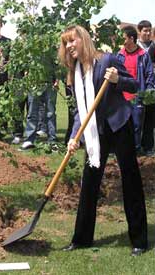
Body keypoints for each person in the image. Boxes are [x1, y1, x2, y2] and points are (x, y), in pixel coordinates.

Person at [59, 25, 148, 257]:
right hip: (94, 133)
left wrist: (118, 79)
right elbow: (82, 110)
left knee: (130, 180)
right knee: (89, 183)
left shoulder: (107, 59)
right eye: (66, 43)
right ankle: (81, 239)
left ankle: (139, 240)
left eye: (72, 41)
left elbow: (134, 85)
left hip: (119, 125)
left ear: (83, 40)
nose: (69, 46)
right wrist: (73, 137)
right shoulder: (76, 71)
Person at [116, 25, 154, 153]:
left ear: (131, 39)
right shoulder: (119, 55)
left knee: (137, 126)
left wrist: (148, 91)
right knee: (121, 126)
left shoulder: (143, 55)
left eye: (124, 38)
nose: (122, 41)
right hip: (121, 97)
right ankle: (122, 151)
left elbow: (149, 75)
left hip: (137, 97)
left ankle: (136, 150)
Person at [137, 20, 155, 156]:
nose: (148, 33)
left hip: (151, 88)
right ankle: (135, 146)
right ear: (139, 31)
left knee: (149, 117)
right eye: (145, 30)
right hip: (136, 88)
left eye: (149, 30)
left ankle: (148, 147)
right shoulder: (133, 47)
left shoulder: (154, 47)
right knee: (135, 118)